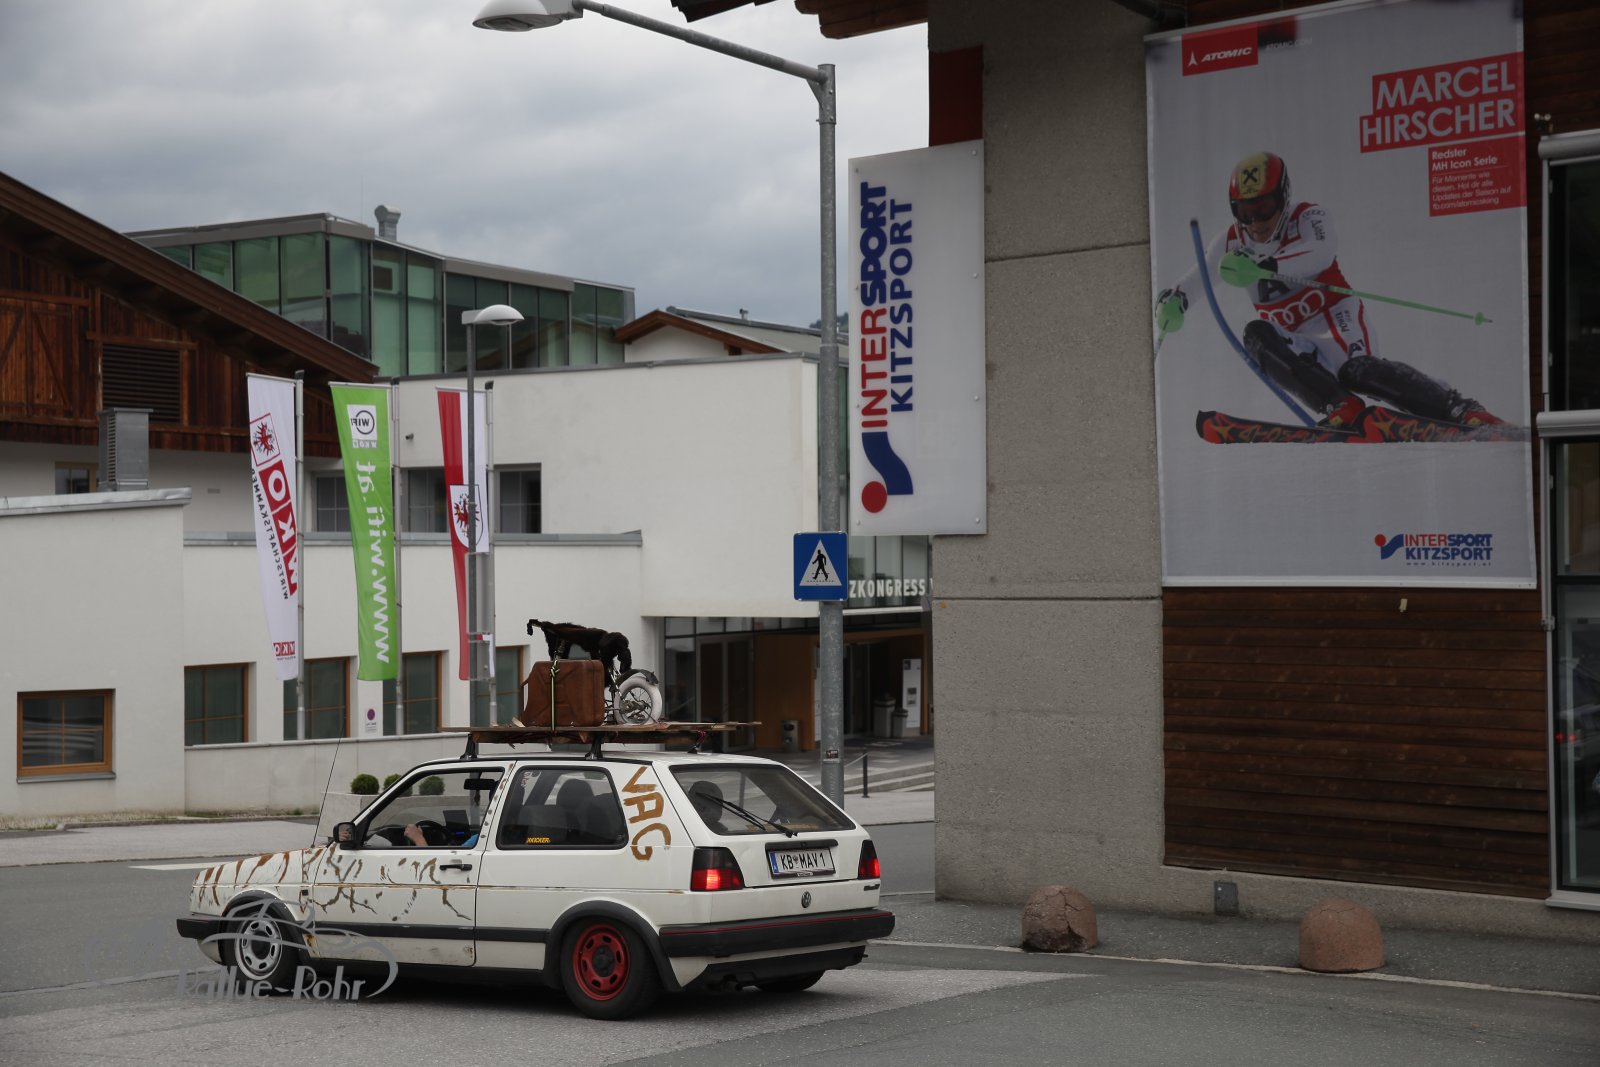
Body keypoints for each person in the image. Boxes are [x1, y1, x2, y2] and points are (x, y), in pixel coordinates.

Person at [1155, 151, 1501, 429]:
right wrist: (1175, 301)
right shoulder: (1230, 242)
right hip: (1295, 339)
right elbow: (1198, 277)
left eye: (1264, 208)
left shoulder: (1309, 217)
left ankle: (1456, 407)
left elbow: (1320, 252)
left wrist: (1267, 266)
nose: (1256, 223)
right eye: (1245, 212)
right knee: (1256, 334)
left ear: (1283, 197)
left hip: (1336, 318)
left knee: (1358, 372)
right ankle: (1340, 406)